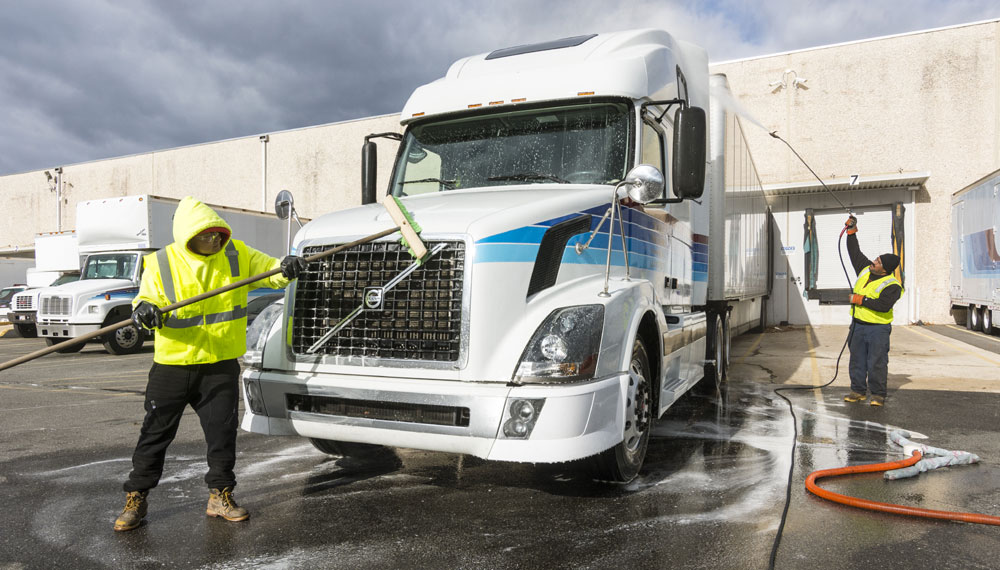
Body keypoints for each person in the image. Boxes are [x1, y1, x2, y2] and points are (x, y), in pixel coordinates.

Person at [113, 196, 307, 532]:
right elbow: (144, 300)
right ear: (189, 236)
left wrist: (286, 268)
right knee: (155, 435)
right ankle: (137, 497)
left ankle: (220, 495)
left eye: (219, 233)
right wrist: (143, 311)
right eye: (207, 235)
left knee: (222, 434)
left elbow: (271, 272)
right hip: (173, 365)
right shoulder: (161, 262)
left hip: (219, 365)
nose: (216, 240)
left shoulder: (237, 253)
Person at [842, 215, 903, 407]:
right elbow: (854, 252)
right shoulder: (865, 269)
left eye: (877, 262)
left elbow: (883, 305)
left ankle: (877, 394)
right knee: (857, 360)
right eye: (875, 259)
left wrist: (860, 299)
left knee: (876, 362)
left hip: (878, 329)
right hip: (858, 326)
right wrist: (852, 231)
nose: (873, 262)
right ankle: (858, 390)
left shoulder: (892, 285)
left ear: (884, 270)